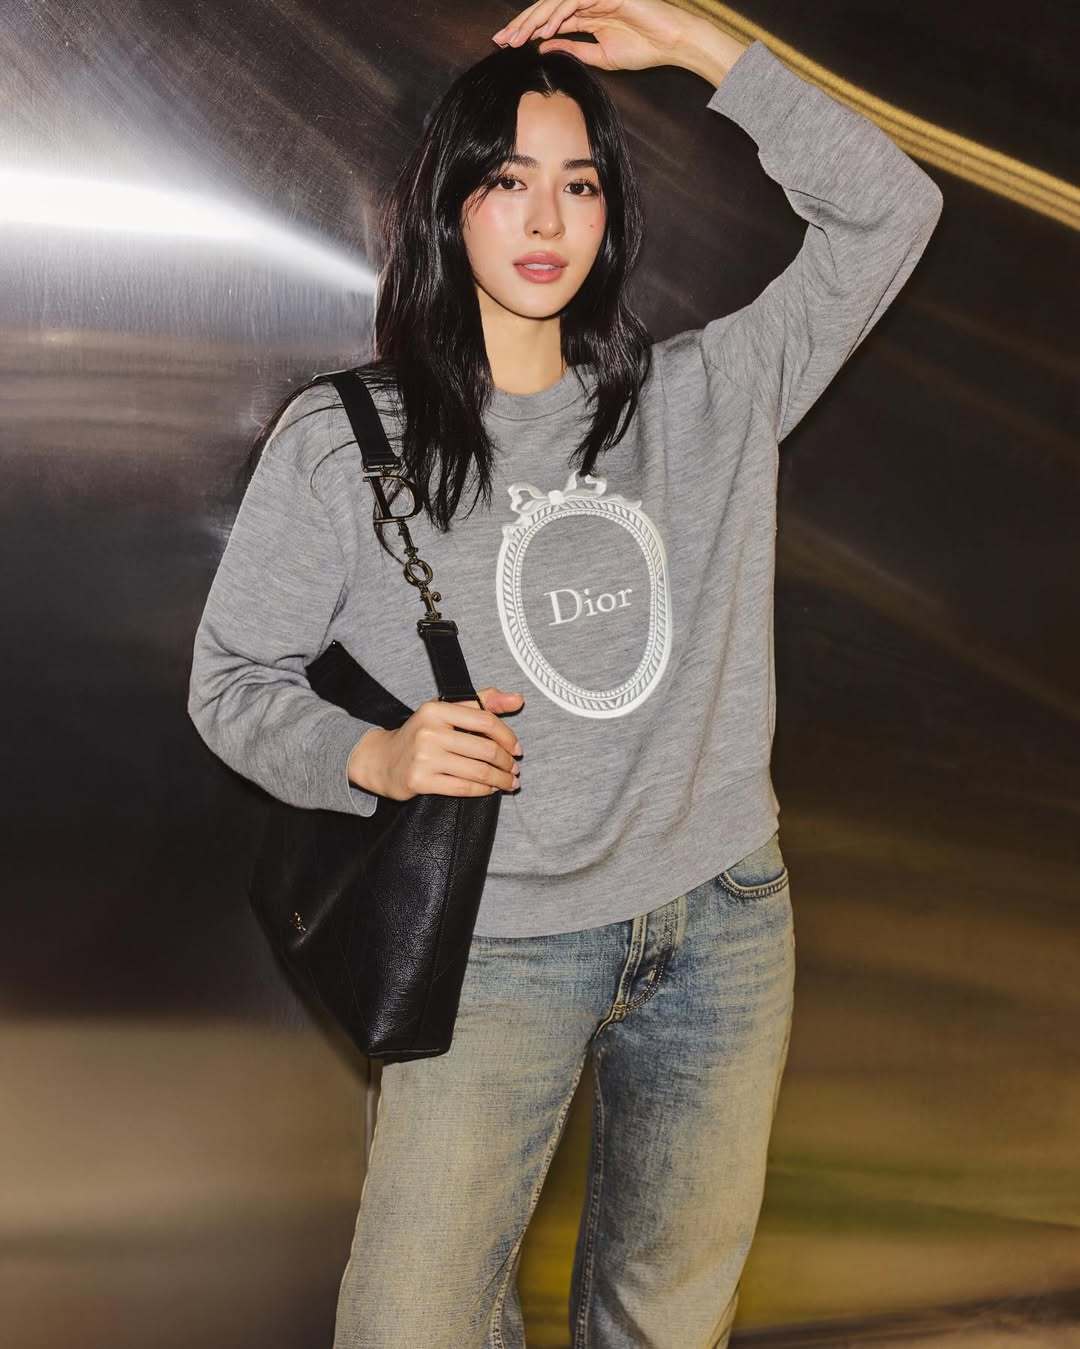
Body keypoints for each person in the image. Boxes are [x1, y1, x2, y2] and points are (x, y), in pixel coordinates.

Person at [186, 1, 943, 1344]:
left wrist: (702, 44)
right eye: (507, 181)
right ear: (449, 207)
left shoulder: (705, 397)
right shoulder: (349, 442)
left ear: (610, 214)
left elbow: (893, 212)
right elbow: (232, 679)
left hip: (721, 920)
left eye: (579, 184)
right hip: (495, 944)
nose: (546, 219)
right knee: (411, 1324)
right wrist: (373, 755)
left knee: (664, 1318)